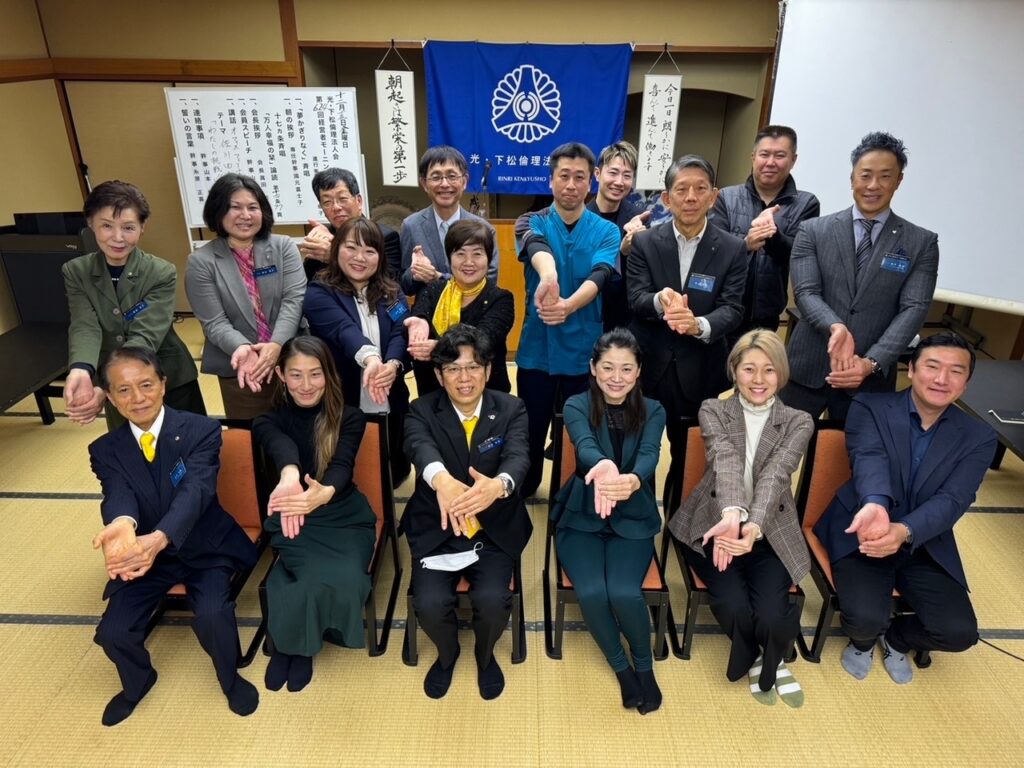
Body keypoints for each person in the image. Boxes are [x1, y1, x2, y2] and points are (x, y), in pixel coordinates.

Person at [89, 346, 258, 726]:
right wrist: (122, 524)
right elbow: (118, 492)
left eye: (146, 384)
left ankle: (230, 679)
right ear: (110, 398)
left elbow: (197, 490)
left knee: (214, 615)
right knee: (113, 632)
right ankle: (138, 682)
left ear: (163, 385)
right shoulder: (105, 450)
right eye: (124, 390)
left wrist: (161, 537)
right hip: (144, 552)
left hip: (204, 546)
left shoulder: (200, 430)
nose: (138, 397)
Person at [814, 332, 996, 684]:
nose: (942, 379)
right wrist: (875, 505)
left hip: (924, 539)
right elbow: (869, 458)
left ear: (966, 382)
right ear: (910, 369)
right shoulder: (870, 406)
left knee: (959, 634)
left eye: (956, 371)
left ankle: (897, 639)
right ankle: (864, 642)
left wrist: (905, 530)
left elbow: (955, 498)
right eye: (932, 366)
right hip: (863, 529)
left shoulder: (979, 436)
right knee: (863, 621)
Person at [669, 330, 812, 707]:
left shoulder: (799, 421)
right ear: (734, 370)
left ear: (781, 373)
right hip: (716, 523)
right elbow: (725, 460)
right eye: (749, 369)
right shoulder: (713, 410)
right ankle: (767, 657)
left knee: (770, 614)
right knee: (733, 606)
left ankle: (769, 653)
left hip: (770, 530)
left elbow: (776, 474)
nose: (758, 379)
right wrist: (733, 514)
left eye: (769, 369)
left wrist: (753, 526)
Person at [402, 324, 531, 700]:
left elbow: (519, 455)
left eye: (473, 367)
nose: (464, 378)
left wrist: (499, 485)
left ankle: (485, 655)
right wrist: (442, 481)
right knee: (428, 604)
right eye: (453, 369)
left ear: (488, 370)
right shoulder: (420, 410)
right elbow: (419, 447)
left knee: (492, 601)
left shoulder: (511, 408)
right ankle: (447, 654)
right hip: (438, 527)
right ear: (439, 375)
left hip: (492, 530)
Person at [782, 131, 939, 421]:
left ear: (899, 181)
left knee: (853, 450)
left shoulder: (921, 243)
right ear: (852, 177)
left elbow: (914, 309)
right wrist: (835, 327)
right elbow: (806, 292)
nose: (873, 185)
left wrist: (872, 362)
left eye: (885, 176)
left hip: (869, 380)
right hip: (807, 368)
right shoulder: (813, 231)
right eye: (865, 175)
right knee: (780, 444)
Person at [550, 329, 666, 714]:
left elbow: (649, 453)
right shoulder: (576, 404)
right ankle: (622, 669)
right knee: (592, 592)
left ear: (638, 371)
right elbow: (584, 443)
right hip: (581, 514)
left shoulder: (654, 409)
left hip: (633, 515)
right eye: (608, 367)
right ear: (593, 368)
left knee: (623, 592)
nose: (617, 377)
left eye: (626, 368)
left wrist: (632, 479)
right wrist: (602, 465)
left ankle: (644, 667)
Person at [252, 336, 376, 693]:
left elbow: (342, 464)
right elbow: (281, 446)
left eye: (315, 374)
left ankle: (290, 642)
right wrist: (290, 475)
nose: (306, 385)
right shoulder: (267, 420)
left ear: (329, 375)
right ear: (281, 375)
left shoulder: (350, 417)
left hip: (344, 515)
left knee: (347, 578)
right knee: (305, 575)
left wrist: (324, 493)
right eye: (296, 375)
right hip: (294, 510)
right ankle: (297, 646)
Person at [627, 154, 748, 514]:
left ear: (714, 196)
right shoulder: (646, 243)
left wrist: (699, 325)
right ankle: (639, 518)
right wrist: (660, 300)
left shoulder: (733, 248)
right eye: (681, 190)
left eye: (700, 189)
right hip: (648, 366)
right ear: (667, 198)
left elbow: (733, 308)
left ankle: (681, 519)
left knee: (690, 455)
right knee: (638, 449)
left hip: (700, 369)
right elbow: (635, 298)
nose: (691, 197)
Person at [514, 141, 621, 498]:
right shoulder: (531, 220)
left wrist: (569, 305)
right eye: (563, 176)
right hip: (537, 351)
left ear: (591, 181)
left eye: (579, 177)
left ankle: (569, 495)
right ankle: (525, 488)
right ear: (551, 180)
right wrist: (549, 277)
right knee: (530, 429)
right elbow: (537, 249)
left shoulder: (607, 231)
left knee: (578, 432)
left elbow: (601, 274)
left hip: (582, 352)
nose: (571, 185)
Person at [62, 180, 204, 430]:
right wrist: (81, 370)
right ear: (91, 224)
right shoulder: (76, 271)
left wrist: (108, 385)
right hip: (117, 385)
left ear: (142, 228)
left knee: (190, 443)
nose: (118, 238)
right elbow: (85, 325)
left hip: (167, 377)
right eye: (107, 226)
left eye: (128, 227)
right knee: (130, 447)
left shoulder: (160, 272)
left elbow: (146, 335)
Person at [184, 173, 306, 420]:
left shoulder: (283, 247)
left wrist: (276, 345)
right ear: (218, 211)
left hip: (293, 361)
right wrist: (244, 349)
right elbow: (214, 322)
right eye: (235, 207)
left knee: (305, 429)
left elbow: (294, 301)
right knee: (252, 436)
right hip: (242, 367)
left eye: (253, 207)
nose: (245, 215)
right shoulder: (201, 262)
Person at [304, 217, 411, 486]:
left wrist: (392, 364)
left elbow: (401, 330)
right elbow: (343, 330)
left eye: (369, 250)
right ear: (336, 249)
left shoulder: (392, 292)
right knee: (351, 469)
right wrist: (371, 358)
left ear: (380, 256)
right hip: (345, 397)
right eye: (351, 247)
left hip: (390, 394)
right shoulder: (319, 292)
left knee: (393, 469)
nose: (360, 258)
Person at [708, 125, 820, 344]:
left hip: (766, 314)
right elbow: (713, 250)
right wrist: (745, 244)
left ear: (793, 160)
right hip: (721, 308)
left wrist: (772, 235)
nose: (770, 162)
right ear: (753, 157)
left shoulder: (807, 203)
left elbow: (798, 255)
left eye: (780, 155)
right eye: (764, 154)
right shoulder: (726, 197)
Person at [404, 219, 515, 396]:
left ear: (488, 259)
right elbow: (420, 316)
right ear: (449, 258)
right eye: (460, 254)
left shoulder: (500, 298)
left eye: (477, 254)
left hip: (487, 396)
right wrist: (419, 323)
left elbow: (483, 339)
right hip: (434, 396)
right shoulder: (432, 290)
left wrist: (439, 348)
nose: (468, 262)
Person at [399, 145, 499, 296]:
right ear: (424, 183)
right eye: (436, 177)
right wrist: (415, 273)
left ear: (464, 181)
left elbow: (489, 282)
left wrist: (438, 277)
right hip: (428, 311)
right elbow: (404, 286)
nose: (445, 184)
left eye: (452, 176)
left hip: (472, 311)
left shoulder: (484, 228)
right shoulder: (411, 226)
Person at [297, 167, 402, 282]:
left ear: (359, 201)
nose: (336, 207)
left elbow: (389, 282)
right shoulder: (321, 241)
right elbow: (309, 284)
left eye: (342, 198)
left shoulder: (385, 237)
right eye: (327, 202)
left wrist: (334, 255)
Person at [587, 142, 650, 331]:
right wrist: (620, 251)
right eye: (613, 173)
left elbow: (643, 280)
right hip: (587, 315)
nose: (619, 182)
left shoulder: (639, 219)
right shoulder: (581, 218)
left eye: (627, 175)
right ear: (597, 174)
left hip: (625, 321)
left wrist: (635, 249)